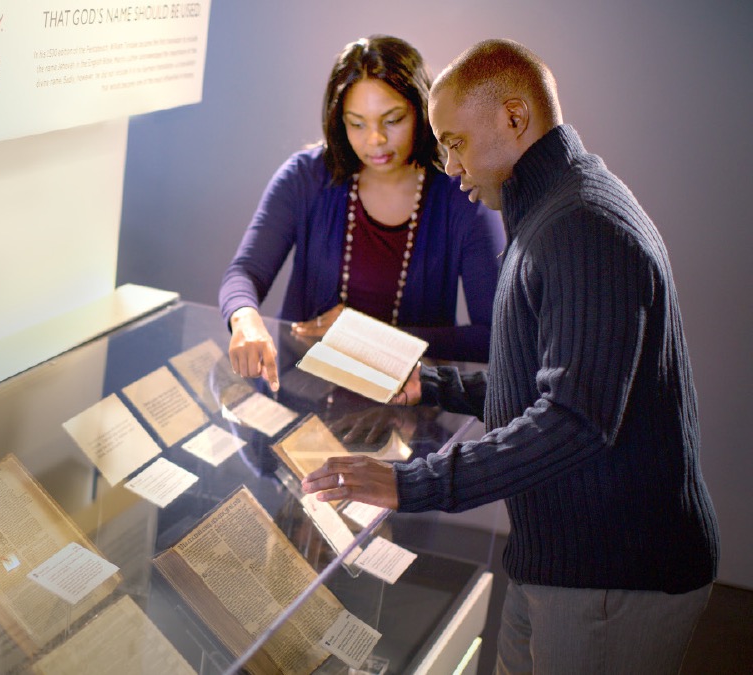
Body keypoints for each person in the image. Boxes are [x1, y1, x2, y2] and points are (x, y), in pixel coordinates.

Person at [301, 39, 720, 674]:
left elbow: (573, 420)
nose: (449, 165)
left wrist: (411, 483)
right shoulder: (554, 210)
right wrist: (433, 385)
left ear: (515, 117)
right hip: (558, 559)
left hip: (614, 576)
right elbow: (549, 378)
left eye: (456, 143)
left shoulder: (583, 227)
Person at [221, 35, 505, 394]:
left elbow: (493, 336)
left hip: (407, 406)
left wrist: (366, 337)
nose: (375, 140)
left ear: (421, 110)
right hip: (300, 393)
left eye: (393, 120)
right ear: (339, 120)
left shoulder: (461, 197)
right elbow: (245, 273)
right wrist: (244, 317)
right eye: (357, 123)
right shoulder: (305, 177)